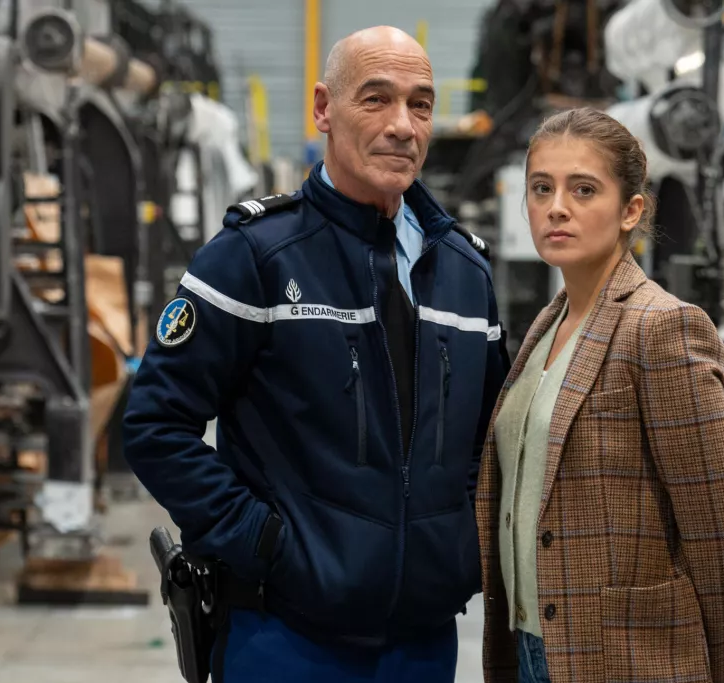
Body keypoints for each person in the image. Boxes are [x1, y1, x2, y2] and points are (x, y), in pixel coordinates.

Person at [124, 26, 507, 683]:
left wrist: (459, 547)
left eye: (419, 104)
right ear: (324, 108)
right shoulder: (255, 257)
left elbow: (486, 441)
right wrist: (264, 544)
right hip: (284, 637)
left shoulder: (464, 272)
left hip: (424, 643)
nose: (402, 125)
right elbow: (155, 426)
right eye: (376, 99)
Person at [474, 108, 724, 683]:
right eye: (542, 188)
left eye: (584, 189)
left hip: (629, 659)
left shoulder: (661, 328)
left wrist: (707, 667)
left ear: (631, 210)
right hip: (533, 646)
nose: (557, 207)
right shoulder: (547, 327)